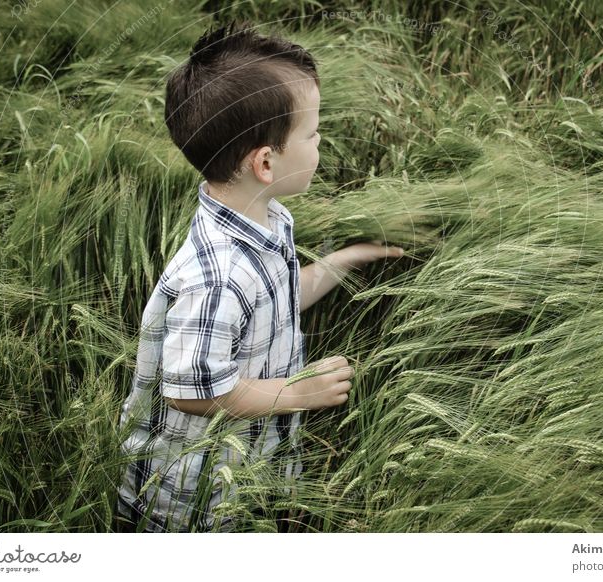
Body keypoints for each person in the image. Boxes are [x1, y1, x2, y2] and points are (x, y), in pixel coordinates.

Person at [115, 20, 405, 533]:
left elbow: (273, 301)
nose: (321, 142)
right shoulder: (216, 277)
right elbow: (192, 391)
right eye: (313, 133)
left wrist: (342, 262)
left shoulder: (267, 217)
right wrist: (298, 393)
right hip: (191, 497)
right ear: (266, 162)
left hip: (245, 464)